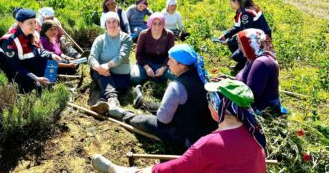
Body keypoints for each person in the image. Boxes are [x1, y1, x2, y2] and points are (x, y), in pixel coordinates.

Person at [91, 79, 267, 173]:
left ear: (219, 106)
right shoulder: (253, 134)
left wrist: (143, 171)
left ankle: (116, 170)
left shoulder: (210, 144)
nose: (207, 103)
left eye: (210, 99)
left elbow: (174, 170)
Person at [98, 44, 217, 154]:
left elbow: (163, 120)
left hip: (187, 138)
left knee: (147, 121)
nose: (168, 63)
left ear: (181, 65)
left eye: (170, 60)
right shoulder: (203, 77)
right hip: (206, 132)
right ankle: (141, 102)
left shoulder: (176, 87)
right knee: (169, 106)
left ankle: (122, 114)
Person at [0, 9, 62, 93]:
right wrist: (35, 78)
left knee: (51, 62)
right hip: (10, 70)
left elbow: (41, 51)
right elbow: (16, 67)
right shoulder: (9, 40)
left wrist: (52, 55)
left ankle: (49, 83)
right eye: (30, 23)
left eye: (35, 22)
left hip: (25, 64)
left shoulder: (34, 34)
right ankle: (37, 85)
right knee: (36, 87)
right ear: (20, 24)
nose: (34, 25)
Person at [235, 28, 287, 114]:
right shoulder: (254, 57)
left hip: (261, 110)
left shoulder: (261, 63)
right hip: (250, 102)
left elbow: (249, 97)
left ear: (251, 43)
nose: (239, 48)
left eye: (241, 44)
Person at [89, 12, 133, 112]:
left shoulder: (126, 38)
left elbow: (122, 56)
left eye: (114, 21)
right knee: (103, 75)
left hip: (121, 76)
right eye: (108, 22)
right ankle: (113, 100)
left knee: (107, 82)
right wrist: (98, 67)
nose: (112, 24)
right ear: (105, 25)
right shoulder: (100, 39)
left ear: (118, 23)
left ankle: (102, 100)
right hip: (101, 73)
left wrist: (107, 66)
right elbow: (92, 57)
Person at [218, 0, 272, 71]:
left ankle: (249, 64)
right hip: (260, 37)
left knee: (236, 56)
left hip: (261, 41)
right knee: (233, 44)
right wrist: (225, 35)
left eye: (231, 1)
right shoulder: (246, 9)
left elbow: (244, 33)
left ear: (236, 1)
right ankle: (244, 64)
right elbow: (237, 27)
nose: (230, 3)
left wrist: (229, 42)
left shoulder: (245, 14)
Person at [130, 12, 175, 85]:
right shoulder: (144, 34)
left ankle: (157, 75)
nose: (157, 26)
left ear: (163, 24)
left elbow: (170, 54)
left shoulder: (169, 34)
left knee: (175, 76)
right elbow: (139, 54)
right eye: (154, 23)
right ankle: (153, 76)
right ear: (150, 24)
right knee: (135, 78)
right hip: (146, 63)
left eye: (160, 23)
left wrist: (163, 68)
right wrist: (147, 67)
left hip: (162, 63)